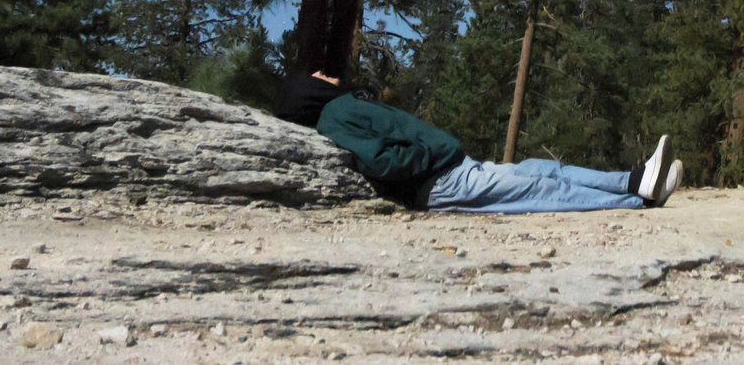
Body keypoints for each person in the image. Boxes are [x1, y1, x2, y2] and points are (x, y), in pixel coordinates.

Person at [271, 70, 683, 214]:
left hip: (454, 169)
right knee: (539, 190)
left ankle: (633, 181)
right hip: (439, 182)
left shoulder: (343, 107)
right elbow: (380, 161)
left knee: (543, 169)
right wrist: (430, 154)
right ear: (307, 93)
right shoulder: (334, 116)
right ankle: (638, 202)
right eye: (316, 76)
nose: (325, 73)